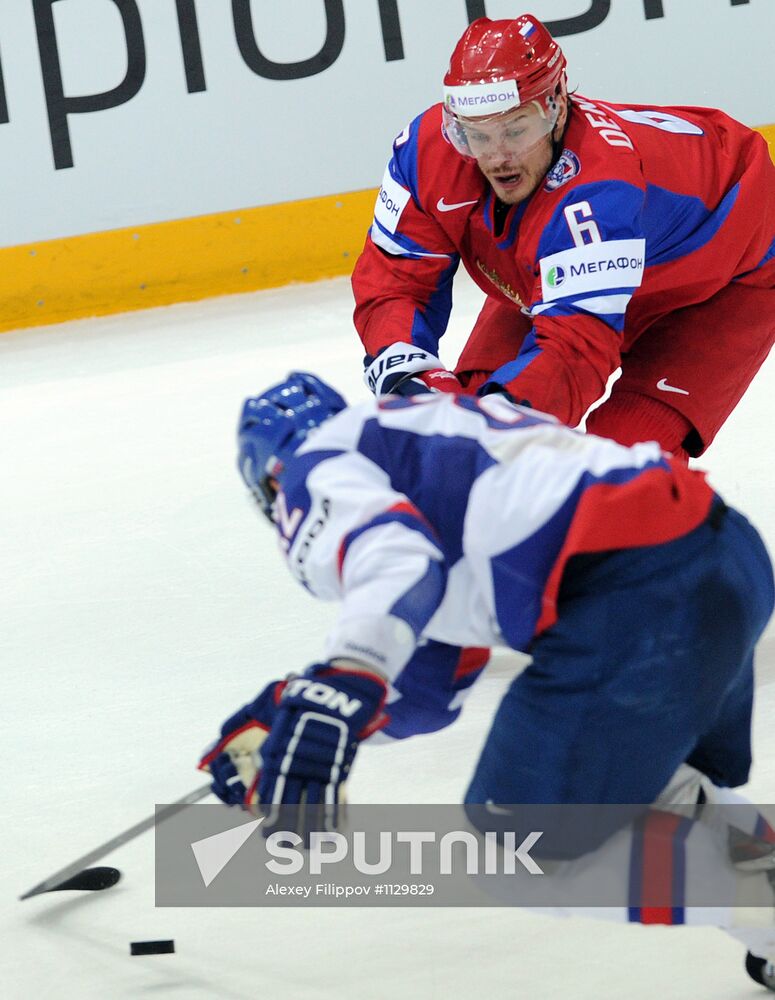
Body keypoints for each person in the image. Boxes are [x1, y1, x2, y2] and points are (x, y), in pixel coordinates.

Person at [198, 372, 775, 987]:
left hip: (641, 595)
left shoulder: (314, 468)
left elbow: (398, 561)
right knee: (639, 796)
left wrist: (341, 685)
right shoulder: (417, 448)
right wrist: (303, 710)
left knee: (519, 854)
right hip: (720, 559)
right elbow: (425, 693)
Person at [351, 14, 775, 460]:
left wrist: (502, 419)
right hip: (572, 260)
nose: (497, 158)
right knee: (471, 408)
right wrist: (407, 368)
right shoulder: (425, 152)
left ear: (556, 104)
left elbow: (576, 351)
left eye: (517, 129)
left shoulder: (600, 191)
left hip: (727, 273)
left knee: (616, 467)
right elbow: (395, 281)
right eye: (476, 134)